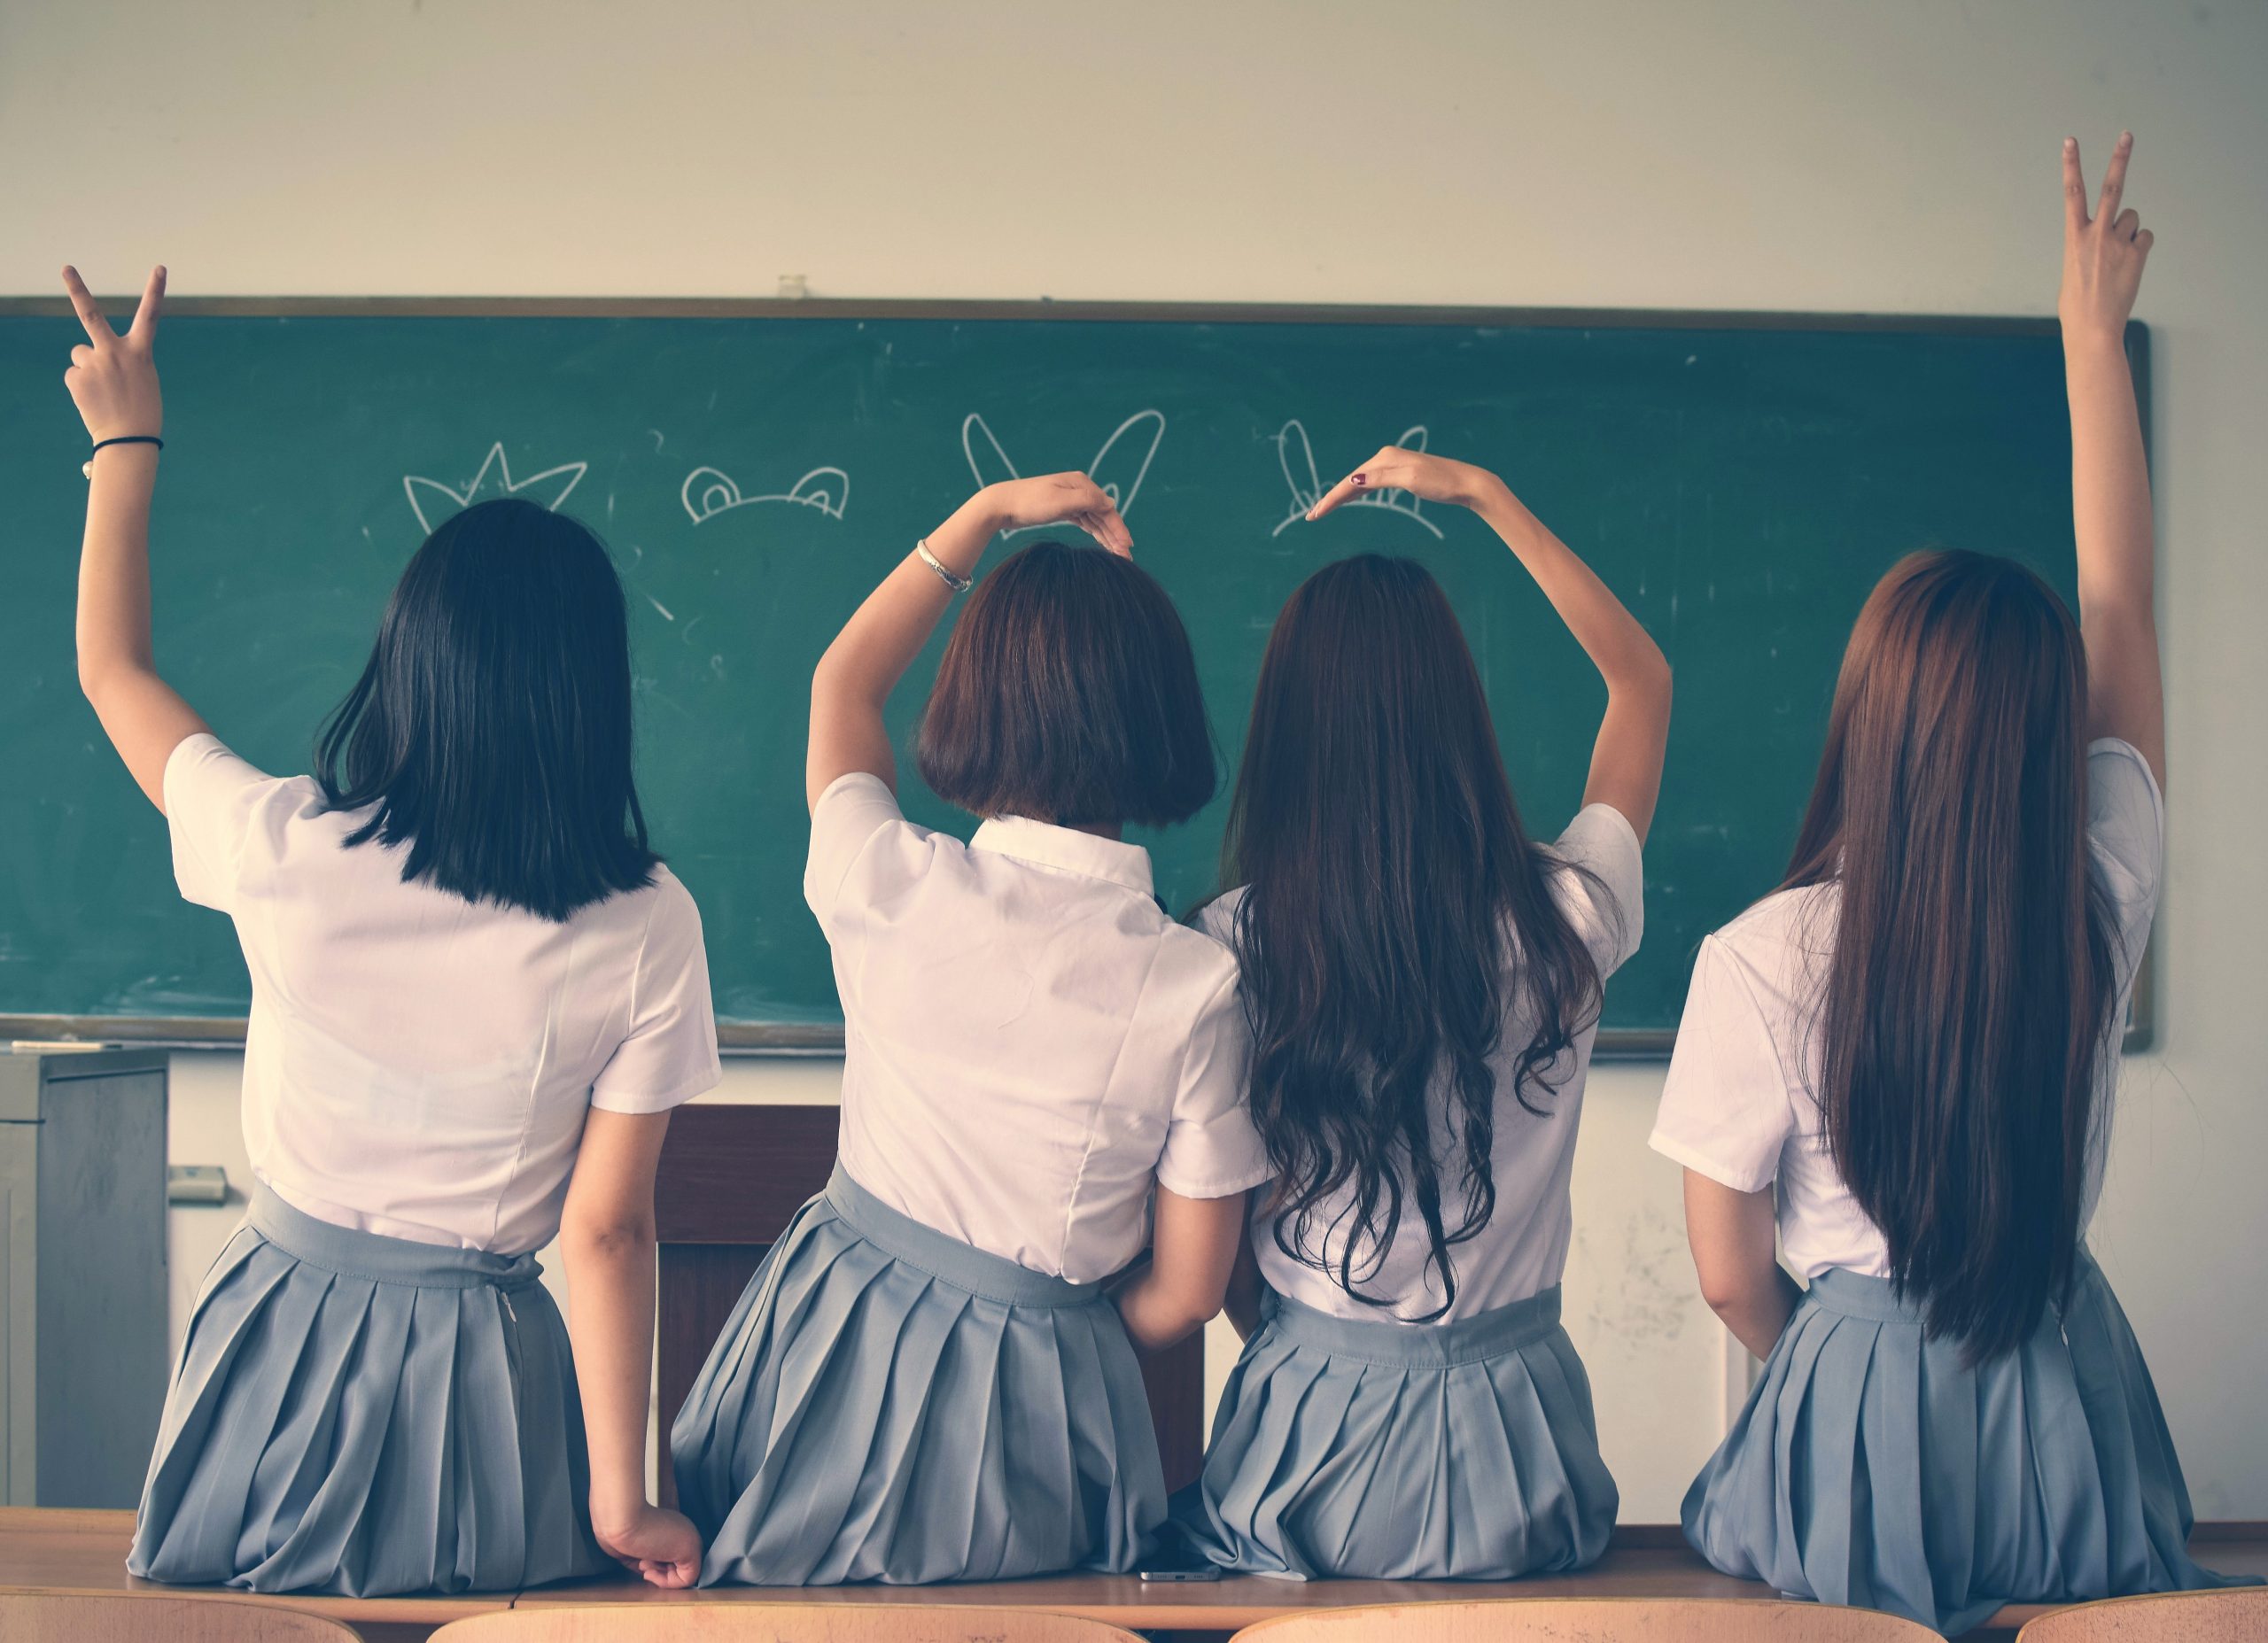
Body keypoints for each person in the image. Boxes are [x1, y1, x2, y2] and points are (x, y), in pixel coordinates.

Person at [1651, 136, 2260, 1634]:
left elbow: (1731, 1281)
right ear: (2056, 733)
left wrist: (1849, 1365)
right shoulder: (2100, 889)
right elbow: (2117, 603)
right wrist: (2090, 343)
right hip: (2065, 1378)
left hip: (1848, 1385)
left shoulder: (1760, 954)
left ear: (1866, 721)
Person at [59, 265, 718, 1595]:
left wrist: (125, 445)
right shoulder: (647, 920)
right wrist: (622, 1497)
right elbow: (607, 1232)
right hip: (490, 1371)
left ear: (409, 660)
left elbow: (113, 672)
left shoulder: (290, 847)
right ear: (595, 698)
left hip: (275, 1339)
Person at [672, 477, 1270, 1585]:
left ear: (972, 699)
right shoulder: (1195, 982)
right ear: (1164, 715)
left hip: (819, 1369)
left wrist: (982, 518)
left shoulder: (885, 876)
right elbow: (1187, 1295)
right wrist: (1047, 1328)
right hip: (1037, 1421)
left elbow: (842, 683)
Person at [1184, 446, 1671, 1577]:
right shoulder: (1569, 913)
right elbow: (1641, 682)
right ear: (1462, 716)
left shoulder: (1229, 949)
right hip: (1525, 1437)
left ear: (1288, 734)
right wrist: (1494, 496)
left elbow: (1224, 1246)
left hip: (1305, 1438)